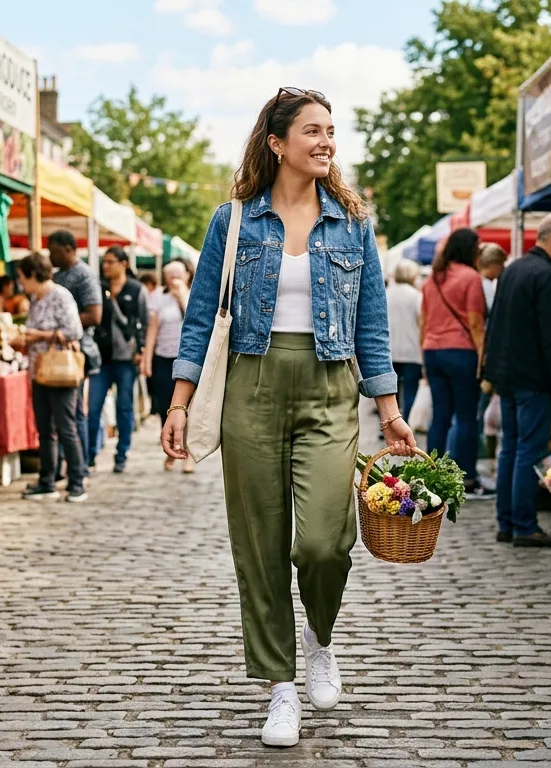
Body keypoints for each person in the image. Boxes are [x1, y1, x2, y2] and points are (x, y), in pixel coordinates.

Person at [161, 87, 416, 749]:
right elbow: (198, 322)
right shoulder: (235, 220)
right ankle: (279, 688)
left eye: (331, 130)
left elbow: (371, 324)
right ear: (276, 143)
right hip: (252, 384)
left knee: (325, 543)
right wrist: (180, 400)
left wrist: (389, 411)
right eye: (312, 130)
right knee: (261, 547)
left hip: (330, 386)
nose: (326, 141)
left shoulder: (353, 222)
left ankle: (319, 638)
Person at [484, 212, 551, 549]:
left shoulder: (512, 269)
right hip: (532, 378)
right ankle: (524, 525)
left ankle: (507, 523)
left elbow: (494, 325)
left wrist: (490, 372)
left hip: (507, 374)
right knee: (528, 451)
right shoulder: (549, 277)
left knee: (510, 447)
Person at [15, 253, 88, 502]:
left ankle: (77, 481)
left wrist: (37, 335)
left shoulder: (60, 295)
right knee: (45, 429)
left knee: (66, 427)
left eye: (23, 277)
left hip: (60, 373)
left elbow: (74, 331)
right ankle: (47, 480)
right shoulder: (36, 299)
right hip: (39, 372)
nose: (21, 283)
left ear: (34, 274)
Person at [420, 227, 486, 495]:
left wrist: (424, 357)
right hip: (461, 352)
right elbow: (474, 322)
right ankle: (466, 476)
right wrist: (483, 358)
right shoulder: (471, 278)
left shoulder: (432, 279)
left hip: (432, 351)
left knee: (441, 416)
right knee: (467, 417)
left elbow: (423, 322)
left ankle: (431, 472)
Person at [48, 229, 103, 477]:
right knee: (62, 415)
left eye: (53, 250)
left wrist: (63, 325)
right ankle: (66, 465)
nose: (50, 255)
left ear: (68, 249)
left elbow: (94, 315)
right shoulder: (58, 276)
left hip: (76, 354)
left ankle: (80, 467)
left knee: (74, 413)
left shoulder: (84, 276)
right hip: (57, 354)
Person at [89, 246, 147, 473]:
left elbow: (143, 321)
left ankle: (121, 454)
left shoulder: (135, 289)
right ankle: (89, 456)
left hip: (126, 358)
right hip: (102, 357)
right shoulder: (99, 288)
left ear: (123, 264)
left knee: (124, 406)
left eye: (110, 261)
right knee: (93, 408)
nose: (105, 266)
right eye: (104, 262)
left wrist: (141, 349)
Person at [143, 258, 195, 473]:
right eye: (170, 276)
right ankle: (173, 450)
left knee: (189, 407)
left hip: (188, 358)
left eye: (177, 275)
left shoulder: (193, 294)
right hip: (163, 358)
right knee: (166, 406)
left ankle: (189, 455)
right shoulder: (158, 298)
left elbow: (195, 322)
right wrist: (147, 358)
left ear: (187, 275)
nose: (173, 280)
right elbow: (152, 329)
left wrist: (182, 297)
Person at [387, 260, 424, 422]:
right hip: (412, 351)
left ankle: (389, 422)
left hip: (389, 350)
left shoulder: (386, 293)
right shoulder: (416, 296)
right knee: (410, 391)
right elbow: (422, 322)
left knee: (390, 392)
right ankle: (406, 422)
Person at [477, 243, 506, 311]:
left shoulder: (475, 281)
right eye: (501, 264)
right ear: (492, 263)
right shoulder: (488, 286)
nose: (503, 268)